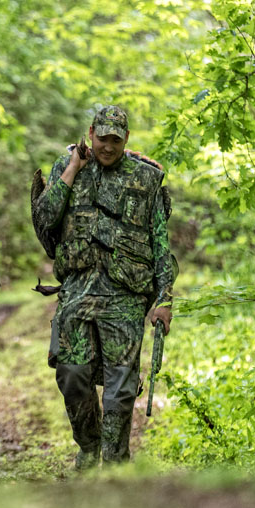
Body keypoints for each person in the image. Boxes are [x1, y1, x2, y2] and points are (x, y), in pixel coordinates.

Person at [32, 105, 174, 469]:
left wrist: (164, 298)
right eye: (101, 138)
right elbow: (45, 217)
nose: (107, 146)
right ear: (90, 132)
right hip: (77, 288)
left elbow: (160, 243)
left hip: (125, 293)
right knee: (72, 375)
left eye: (115, 139)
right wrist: (73, 168)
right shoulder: (68, 167)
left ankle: (115, 467)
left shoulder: (147, 179)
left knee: (121, 388)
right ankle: (88, 444)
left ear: (126, 139)